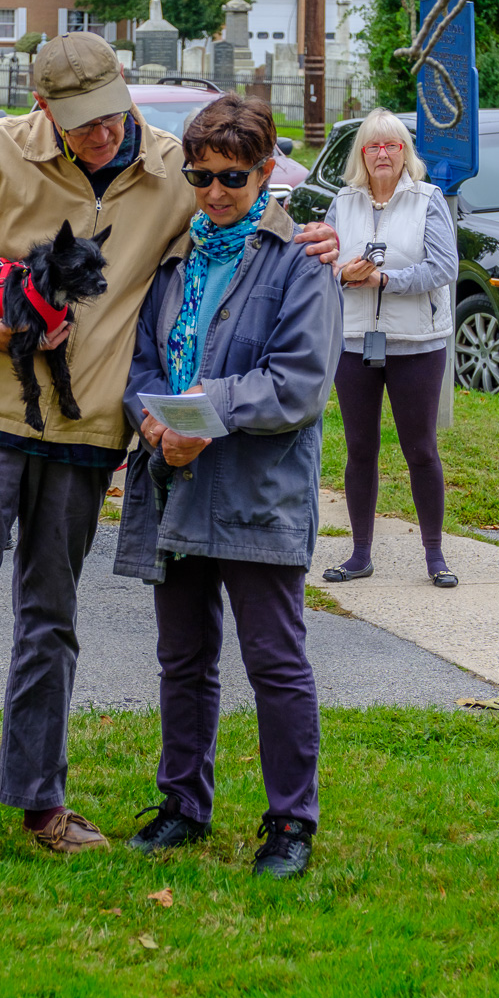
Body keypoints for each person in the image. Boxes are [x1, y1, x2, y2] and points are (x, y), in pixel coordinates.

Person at [0, 31, 339, 880]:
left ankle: (40, 802)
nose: (99, 135)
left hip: (85, 440)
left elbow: (247, 210)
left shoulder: (176, 169)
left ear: (125, 88)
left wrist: (317, 238)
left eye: (110, 115)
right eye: (79, 123)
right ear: (44, 109)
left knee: (51, 627)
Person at [114, 94, 343, 879]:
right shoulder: (172, 258)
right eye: (201, 175)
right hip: (172, 484)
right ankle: (183, 803)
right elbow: (141, 360)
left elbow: (299, 385)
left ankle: (291, 824)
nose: (214, 192)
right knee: (183, 658)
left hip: (256, 489)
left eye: (233, 178)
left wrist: (199, 415)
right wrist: (151, 423)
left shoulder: (302, 263)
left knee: (275, 660)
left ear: (268, 171)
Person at [322, 107, 460, 588]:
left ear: (405, 154)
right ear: (362, 154)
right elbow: (321, 263)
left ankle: (435, 556)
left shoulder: (428, 199)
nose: (383, 153)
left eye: (393, 145)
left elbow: (444, 267)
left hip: (417, 344)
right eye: (374, 146)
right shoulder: (343, 201)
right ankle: (360, 554)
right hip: (354, 340)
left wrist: (384, 279)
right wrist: (343, 272)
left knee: (420, 448)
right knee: (360, 448)